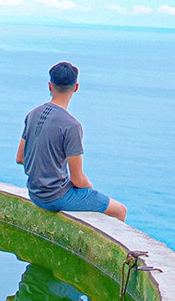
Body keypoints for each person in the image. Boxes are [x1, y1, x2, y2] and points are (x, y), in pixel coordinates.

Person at [16, 61, 127, 221]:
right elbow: (77, 179)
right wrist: (89, 189)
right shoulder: (72, 126)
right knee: (120, 211)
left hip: (34, 193)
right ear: (76, 87)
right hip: (56, 197)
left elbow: (20, 158)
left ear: (49, 85)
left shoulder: (33, 114)